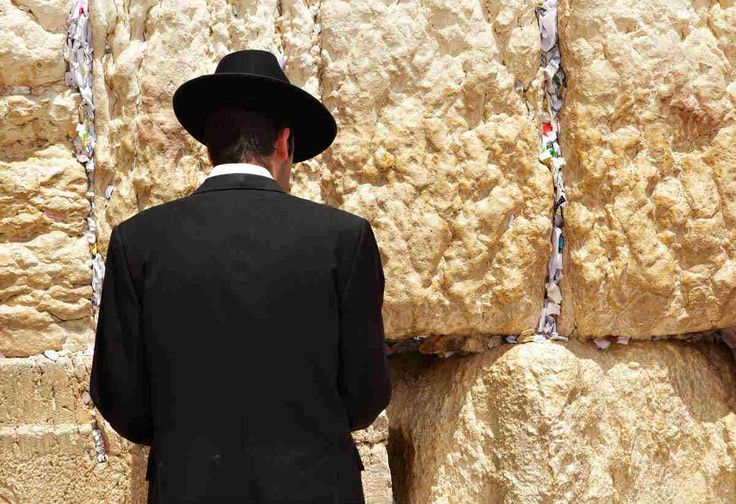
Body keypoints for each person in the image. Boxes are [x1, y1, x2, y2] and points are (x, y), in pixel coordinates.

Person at [89, 49, 392, 503]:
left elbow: (120, 398)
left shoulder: (138, 241)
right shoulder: (344, 239)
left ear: (210, 145)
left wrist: (189, 442)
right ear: (285, 143)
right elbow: (367, 393)